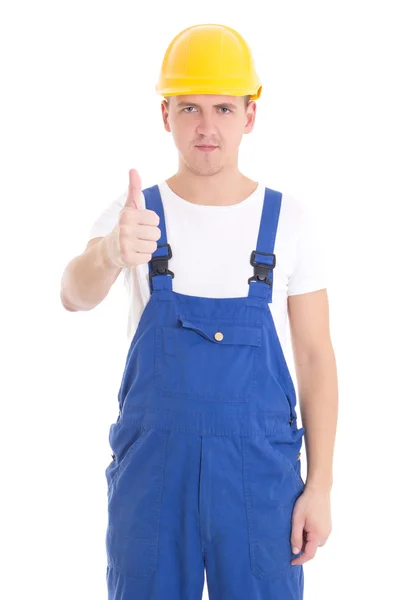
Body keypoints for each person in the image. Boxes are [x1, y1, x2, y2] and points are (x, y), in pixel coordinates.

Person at [60, 23, 338, 600]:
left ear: (250, 115)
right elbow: (72, 294)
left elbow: (315, 359)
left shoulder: (290, 222)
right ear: (165, 115)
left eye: (223, 108)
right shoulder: (135, 213)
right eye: (189, 108)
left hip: (259, 479)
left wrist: (321, 486)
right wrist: (113, 250)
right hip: (155, 477)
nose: (206, 127)